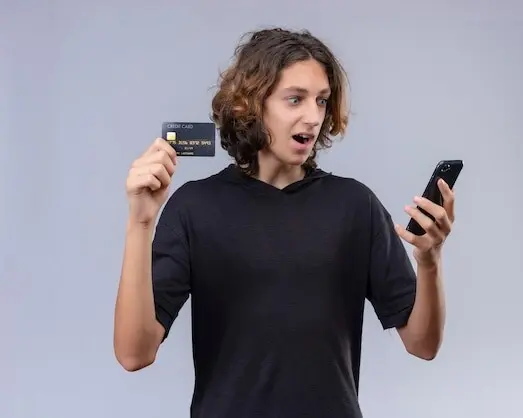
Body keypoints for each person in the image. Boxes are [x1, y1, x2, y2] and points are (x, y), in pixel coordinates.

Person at [113, 27, 456, 418]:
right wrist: (140, 222)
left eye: (322, 101)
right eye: (295, 99)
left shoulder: (355, 206)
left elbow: (422, 344)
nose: (313, 117)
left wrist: (430, 261)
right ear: (247, 105)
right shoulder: (194, 207)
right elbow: (134, 353)